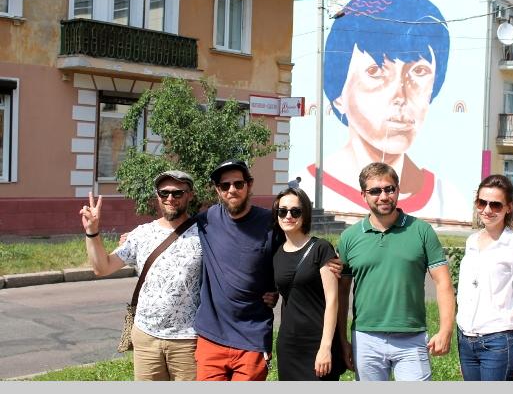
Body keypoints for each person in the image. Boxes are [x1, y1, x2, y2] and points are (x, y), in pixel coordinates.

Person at [299, 0, 464, 220]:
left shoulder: (448, 199)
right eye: (376, 71)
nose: (401, 95)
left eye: (419, 71)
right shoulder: (306, 191)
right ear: (338, 95)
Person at [193, 159, 343, 381]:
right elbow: (174, 225)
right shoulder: (207, 220)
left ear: (249, 185)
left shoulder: (270, 222)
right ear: (218, 190)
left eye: (238, 184)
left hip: (252, 338)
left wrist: (328, 257)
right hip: (212, 337)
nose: (232, 190)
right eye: (225, 185)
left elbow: (295, 247)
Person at [336, 161, 455, 381]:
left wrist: (446, 329)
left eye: (389, 189)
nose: (383, 196)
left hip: (412, 338)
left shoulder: (421, 231)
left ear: (398, 190)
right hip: (365, 338)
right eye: (375, 191)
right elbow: (340, 293)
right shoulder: (349, 238)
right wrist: (342, 340)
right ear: (363, 195)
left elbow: (443, 283)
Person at [79, 170, 202, 381]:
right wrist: (92, 231)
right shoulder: (142, 234)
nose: (170, 198)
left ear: (190, 195)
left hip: (188, 340)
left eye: (177, 193)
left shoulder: (204, 234)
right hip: (146, 338)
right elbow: (102, 267)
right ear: (157, 196)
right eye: (164, 193)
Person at [456, 174, 513, 381]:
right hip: (466, 341)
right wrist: (465, 349)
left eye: (495, 205)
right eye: (482, 202)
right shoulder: (471, 241)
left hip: (498, 344)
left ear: (509, 207)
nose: (487, 210)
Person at [271, 187, 344, 381]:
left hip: (317, 342)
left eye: (295, 211)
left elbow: (332, 301)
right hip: (288, 345)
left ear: (305, 214)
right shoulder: (277, 253)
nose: (288, 216)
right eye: (282, 211)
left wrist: (325, 347)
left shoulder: (321, 249)